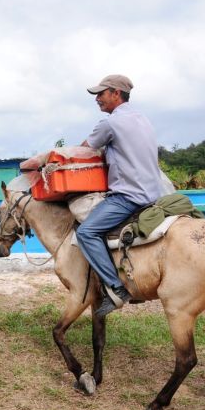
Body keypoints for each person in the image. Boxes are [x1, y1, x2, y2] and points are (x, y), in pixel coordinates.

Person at [76, 75, 163, 318]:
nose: (97, 99)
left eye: (101, 93)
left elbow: (83, 151)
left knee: (86, 232)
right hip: (153, 195)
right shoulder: (143, 119)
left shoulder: (110, 123)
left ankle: (117, 289)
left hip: (128, 196)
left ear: (116, 93)